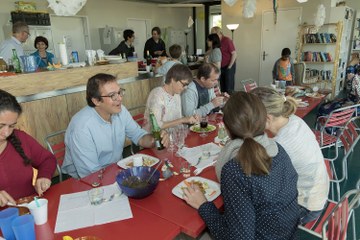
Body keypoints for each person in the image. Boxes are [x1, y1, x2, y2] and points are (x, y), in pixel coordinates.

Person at [183, 92, 299, 239]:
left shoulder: (234, 170)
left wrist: (203, 205)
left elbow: (239, 238)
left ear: (226, 127)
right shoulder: (278, 149)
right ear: (264, 120)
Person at [62, 73, 169, 179]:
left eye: (119, 92)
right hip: (83, 182)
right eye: (112, 95)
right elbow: (91, 174)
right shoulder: (82, 128)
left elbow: (139, 136)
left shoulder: (120, 111)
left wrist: (156, 139)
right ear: (96, 101)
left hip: (114, 169)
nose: (119, 98)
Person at [251, 87, 329, 224]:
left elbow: (262, 184)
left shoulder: (280, 145)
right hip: (317, 192)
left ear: (267, 118)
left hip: (305, 206)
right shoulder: (294, 120)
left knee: (250, 220)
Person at [0, 89, 56, 207]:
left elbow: (47, 159)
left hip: (30, 208)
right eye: (1, 126)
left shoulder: (20, 138)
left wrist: (44, 176)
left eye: (11, 126)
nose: (6, 133)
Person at [143, 64, 198, 131]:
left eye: (187, 85)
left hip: (173, 136)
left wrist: (189, 119)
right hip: (155, 138)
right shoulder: (157, 95)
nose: (185, 88)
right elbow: (156, 126)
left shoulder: (176, 95)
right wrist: (182, 120)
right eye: (184, 84)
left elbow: (176, 119)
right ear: (173, 80)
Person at [211, 26, 237, 94]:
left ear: (219, 33)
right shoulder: (216, 41)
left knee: (229, 87)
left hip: (229, 66)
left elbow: (234, 54)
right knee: (222, 86)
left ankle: (231, 102)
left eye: (213, 34)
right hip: (221, 66)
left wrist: (229, 67)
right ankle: (224, 102)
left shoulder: (227, 40)